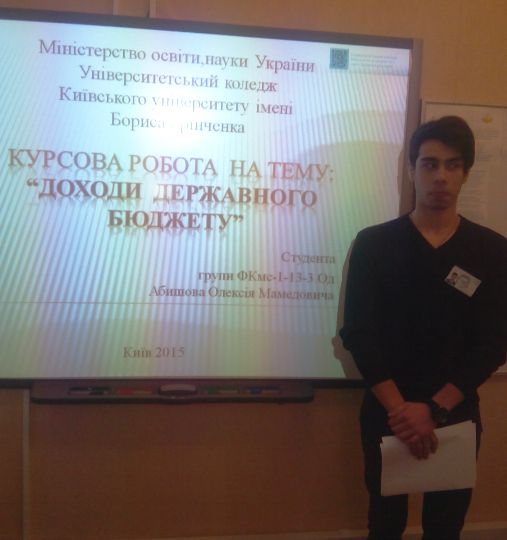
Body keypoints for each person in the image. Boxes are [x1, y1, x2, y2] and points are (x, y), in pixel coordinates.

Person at [337, 116, 507, 540]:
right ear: (412, 170)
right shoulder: (374, 244)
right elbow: (358, 332)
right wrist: (403, 412)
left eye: (453, 165)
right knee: (385, 525)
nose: (440, 176)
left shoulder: (491, 250)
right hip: (387, 412)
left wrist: (433, 409)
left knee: (445, 528)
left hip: (456, 412)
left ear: (466, 173)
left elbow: (495, 341)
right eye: (429, 164)